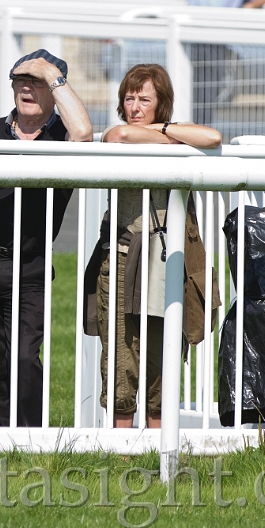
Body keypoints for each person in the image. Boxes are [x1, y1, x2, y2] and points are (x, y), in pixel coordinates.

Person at [0, 49, 93, 426]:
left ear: (56, 89)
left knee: (24, 359)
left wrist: (50, 72)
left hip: (28, 267)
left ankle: (29, 439)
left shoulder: (63, 137)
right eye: (21, 80)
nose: (27, 88)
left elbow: (84, 134)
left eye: (38, 82)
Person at [97, 63, 221, 428]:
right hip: (124, 261)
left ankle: (159, 453)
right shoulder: (122, 136)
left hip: (169, 265)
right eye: (129, 98)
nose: (134, 107)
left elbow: (212, 137)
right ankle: (121, 454)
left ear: (161, 103)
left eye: (144, 99)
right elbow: (119, 135)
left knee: (161, 371)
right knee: (122, 367)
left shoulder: (174, 132)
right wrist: (170, 137)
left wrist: (160, 130)